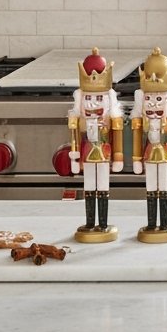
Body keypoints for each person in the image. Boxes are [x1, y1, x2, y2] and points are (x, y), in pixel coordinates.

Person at [69, 48, 124, 243]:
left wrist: (118, 157)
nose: (93, 104)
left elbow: (117, 138)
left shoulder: (111, 121)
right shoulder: (79, 121)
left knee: (103, 187)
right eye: (89, 99)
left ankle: (103, 223)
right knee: (88, 187)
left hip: (103, 153)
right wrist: (74, 156)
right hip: (87, 154)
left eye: (99, 98)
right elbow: (75, 137)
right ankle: (90, 222)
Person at [133, 47, 167, 243]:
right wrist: (136, 159)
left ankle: (164, 224)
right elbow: (137, 137)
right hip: (149, 154)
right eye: (149, 99)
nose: (154, 104)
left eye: (159, 99)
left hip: (165, 154)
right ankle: (151, 223)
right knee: (150, 189)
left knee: (164, 188)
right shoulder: (142, 121)